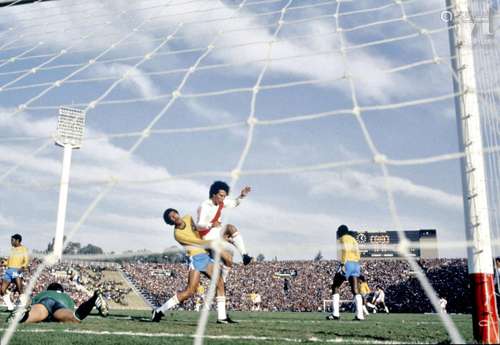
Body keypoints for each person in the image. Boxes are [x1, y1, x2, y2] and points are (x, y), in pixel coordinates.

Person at [152, 208, 236, 324]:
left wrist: (210, 225)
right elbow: (198, 241)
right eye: (172, 217)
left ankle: (222, 317)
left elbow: (199, 232)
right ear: (170, 222)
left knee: (220, 283)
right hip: (196, 259)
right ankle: (159, 310)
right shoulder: (178, 234)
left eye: (174, 213)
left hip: (205, 257)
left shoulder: (188, 217)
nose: (175, 216)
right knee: (190, 291)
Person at [197, 181, 253, 267]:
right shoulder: (205, 206)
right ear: (213, 194)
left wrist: (242, 196)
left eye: (224, 196)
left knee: (231, 228)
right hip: (206, 235)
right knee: (226, 257)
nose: (223, 198)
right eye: (221, 195)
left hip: (216, 231)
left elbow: (234, 203)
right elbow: (199, 225)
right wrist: (210, 225)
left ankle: (244, 256)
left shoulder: (221, 202)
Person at [11, 282, 106, 323]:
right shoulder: (67, 297)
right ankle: (93, 299)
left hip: (46, 301)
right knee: (75, 318)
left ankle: (21, 315)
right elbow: (71, 307)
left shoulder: (44, 293)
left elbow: (32, 303)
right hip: (62, 306)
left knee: (32, 314)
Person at [326, 225, 364, 321]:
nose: (338, 233)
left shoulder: (343, 238)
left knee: (335, 286)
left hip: (347, 263)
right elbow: (358, 254)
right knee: (356, 290)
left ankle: (336, 314)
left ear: (341, 231)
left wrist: (343, 263)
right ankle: (360, 315)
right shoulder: (354, 240)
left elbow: (345, 250)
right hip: (356, 264)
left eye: (338, 231)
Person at [1, 234, 29, 311]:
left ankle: (24, 306)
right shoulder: (12, 249)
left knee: (20, 290)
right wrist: (4, 262)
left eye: (12, 240)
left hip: (17, 270)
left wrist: (23, 267)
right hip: (8, 271)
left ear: (17, 240)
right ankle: (10, 306)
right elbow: (9, 261)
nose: (11, 242)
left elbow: (26, 260)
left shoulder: (24, 249)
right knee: (2, 290)